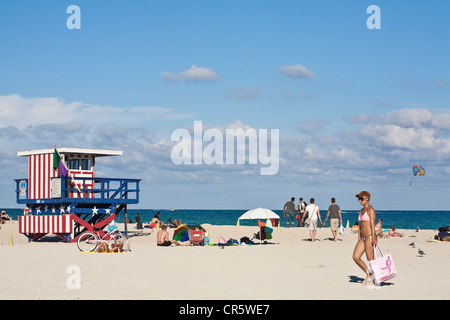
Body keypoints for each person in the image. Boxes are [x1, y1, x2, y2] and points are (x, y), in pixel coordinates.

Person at [352, 191, 377, 287]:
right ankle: (368, 274)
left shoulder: (371, 210)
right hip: (362, 237)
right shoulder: (361, 210)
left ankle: (374, 279)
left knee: (370, 259)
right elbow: (360, 225)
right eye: (359, 199)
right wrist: (358, 237)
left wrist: (374, 237)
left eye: (361, 199)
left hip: (370, 236)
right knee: (355, 257)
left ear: (367, 199)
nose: (360, 201)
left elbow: (371, 224)